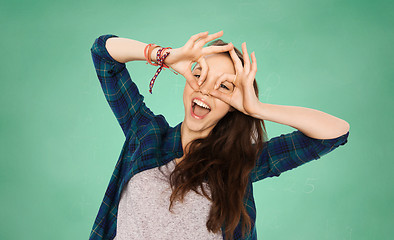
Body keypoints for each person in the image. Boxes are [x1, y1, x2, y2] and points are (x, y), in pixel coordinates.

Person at [89, 31, 350, 240]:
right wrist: (165, 56)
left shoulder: (240, 163)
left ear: (232, 106)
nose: (206, 90)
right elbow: (103, 53)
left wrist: (257, 109)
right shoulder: (146, 135)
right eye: (200, 75)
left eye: (224, 87)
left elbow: (334, 133)